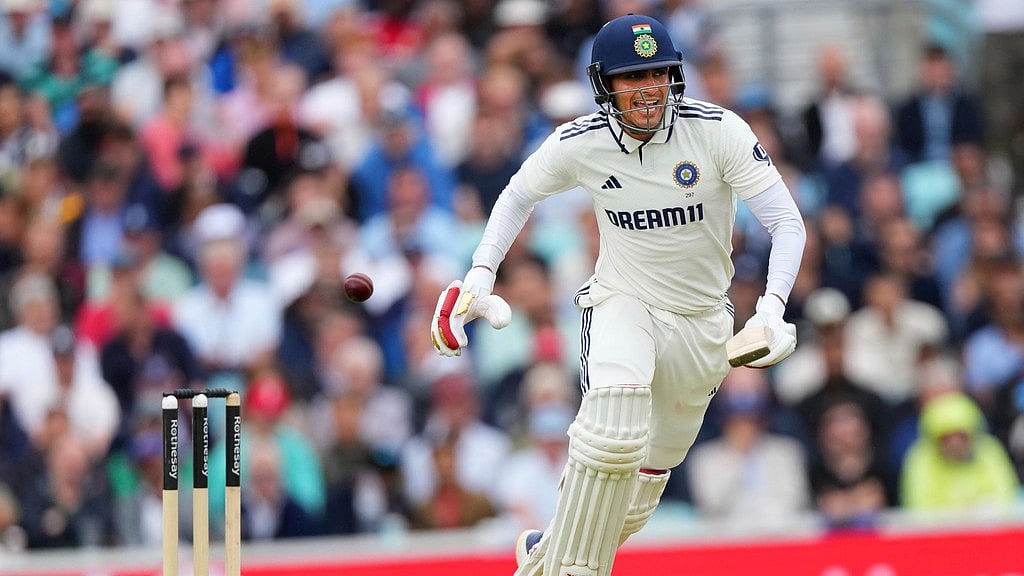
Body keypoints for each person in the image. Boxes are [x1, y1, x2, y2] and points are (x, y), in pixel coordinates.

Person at [429, 14, 806, 576]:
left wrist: (772, 309)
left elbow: (787, 223)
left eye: (657, 75)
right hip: (621, 301)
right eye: (631, 78)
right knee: (613, 439)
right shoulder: (582, 143)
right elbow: (516, 197)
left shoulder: (718, 131)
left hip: (704, 323)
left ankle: (541, 559)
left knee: (628, 508)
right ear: (605, 84)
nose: (647, 89)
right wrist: (482, 273)